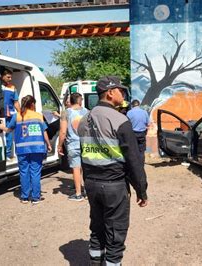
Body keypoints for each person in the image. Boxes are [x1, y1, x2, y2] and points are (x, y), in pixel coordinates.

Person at [77, 76, 148, 265]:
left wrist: (87, 182)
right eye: (120, 90)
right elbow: (134, 160)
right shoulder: (120, 120)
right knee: (115, 234)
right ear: (110, 93)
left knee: (97, 229)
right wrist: (141, 189)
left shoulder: (84, 120)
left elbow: (84, 155)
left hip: (92, 184)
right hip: (114, 186)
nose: (123, 94)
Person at [0, 95, 52, 204]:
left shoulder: (17, 116)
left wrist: (1, 127)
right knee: (35, 172)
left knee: (24, 172)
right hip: (37, 148)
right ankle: (36, 197)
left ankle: (24, 197)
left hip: (22, 149)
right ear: (32, 104)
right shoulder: (38, 116)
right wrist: (48, 144)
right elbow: (44, 132)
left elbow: (9, 130)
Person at [58, 93, 89, 201]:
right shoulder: (87, 112)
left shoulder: (66, 113)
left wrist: (59, 146)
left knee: (76, 168)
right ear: (80, 100)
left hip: (73, 144)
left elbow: (62, 132)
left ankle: (78, 194)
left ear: (70, 101)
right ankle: (88, 191)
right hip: (86, 144)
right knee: (86, 168)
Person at [1, 68, 20, 160]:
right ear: (2, 76)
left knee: (9, 135)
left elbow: (16, 102)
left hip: (10, 115)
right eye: (8, 77)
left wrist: (21, 113)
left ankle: (7, 155)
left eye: (11, 77)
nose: (10, 79)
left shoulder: (13, 88)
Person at [126, 99, 150, 163]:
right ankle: (141, 164)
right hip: (142, 133)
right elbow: (148, 124)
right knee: (141, 150)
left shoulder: (129, 112)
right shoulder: (144, 112)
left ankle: (135, 163)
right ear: (139, 105)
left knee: (133, 149)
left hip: (132, 133)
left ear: (132, 105)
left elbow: (127, 124)